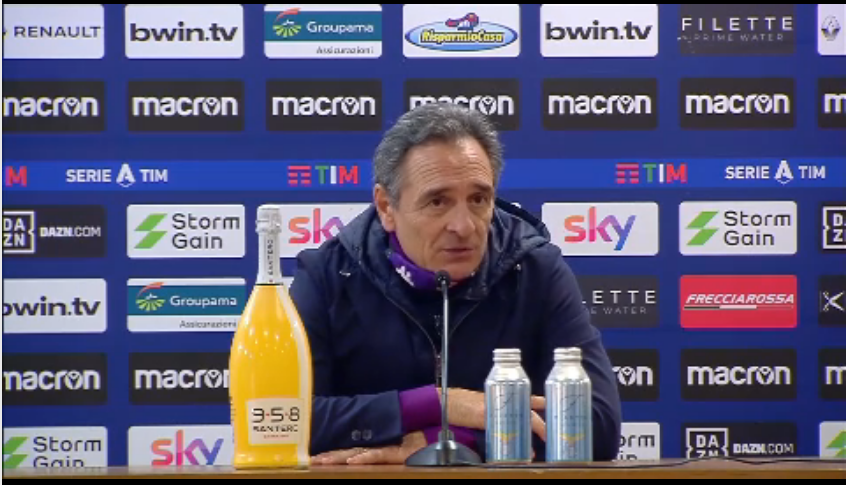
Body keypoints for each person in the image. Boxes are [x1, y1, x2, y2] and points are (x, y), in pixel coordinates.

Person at [289, 103, 622, 465]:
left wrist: (444, 442)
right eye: (437, 201)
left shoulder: (534, 268)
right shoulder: (327, 275)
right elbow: (281, 421)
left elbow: (597, 427)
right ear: (386, 207)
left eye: (478, 199)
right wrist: (435, 403)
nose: (463, 226)